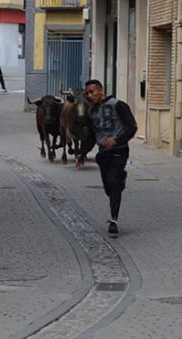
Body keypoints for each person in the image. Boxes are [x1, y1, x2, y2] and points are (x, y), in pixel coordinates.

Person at [75, 79, 137, 236]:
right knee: (109, 187)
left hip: (119, 150)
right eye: (87, 93)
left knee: (113, 182)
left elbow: (132, 127)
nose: (89, 96)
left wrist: (116, 140)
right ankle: (119, 181)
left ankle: (113, 220)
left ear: (101, 91)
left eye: (92, 92)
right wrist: (82, 153)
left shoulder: (118, 105)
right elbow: (90, 136)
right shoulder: (91, 112)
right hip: (103, 153)